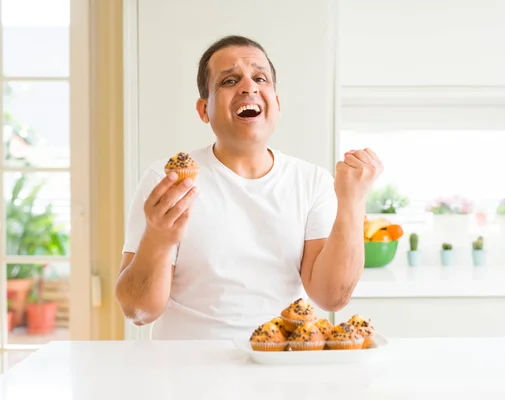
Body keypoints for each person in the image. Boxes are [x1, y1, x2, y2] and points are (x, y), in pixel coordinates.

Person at [115, 35, 383, 340]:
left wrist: (352, 202)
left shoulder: (311, 182)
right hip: (184, 369)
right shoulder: (167, 184)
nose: (248, 86)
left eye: (260, 77)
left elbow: (331, 297)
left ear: (277, 104)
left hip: (282, 363)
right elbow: (138, 311)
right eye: (229, 80)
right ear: (204, 110)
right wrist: (158, 239)